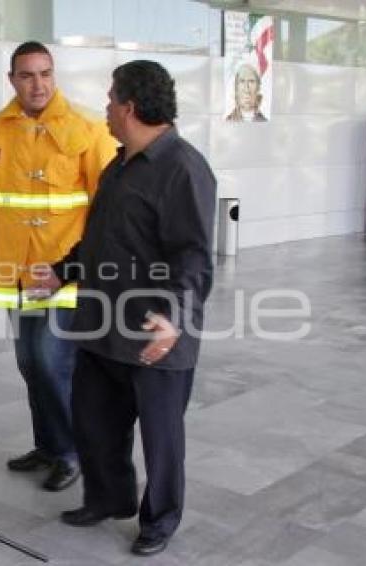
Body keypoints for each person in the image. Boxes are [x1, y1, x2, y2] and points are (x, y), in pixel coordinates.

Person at [33, 60, 216, 557]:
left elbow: (195, 256)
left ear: (130, 107)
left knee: (161, 438)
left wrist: (173, 317)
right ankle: (108, 499)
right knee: (94, 423)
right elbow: (97, 241)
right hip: (102, 327)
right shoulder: (119, 165)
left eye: (111, 99)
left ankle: (160, 518)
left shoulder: (183, 168)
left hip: (154, 335)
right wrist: (64, 270)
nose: (106, 109)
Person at [0, 41, 116, 492]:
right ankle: (49, 445)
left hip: (63, 269)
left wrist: (87, 265)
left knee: (52, 361)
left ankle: (71, 452)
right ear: (12, 79)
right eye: (27, 75)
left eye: (45, 74)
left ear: (54, 76)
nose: (38, 84)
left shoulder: (88, 129)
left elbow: (109, 201)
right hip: (17, 271)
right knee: (29, 363)